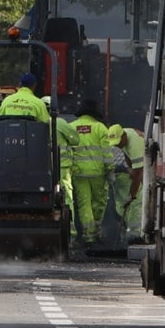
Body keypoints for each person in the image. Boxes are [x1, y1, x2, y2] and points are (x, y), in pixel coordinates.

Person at [70, 100, 114, 247]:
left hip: (79, 173)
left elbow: (67, 151)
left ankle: (88, 236)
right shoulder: (100, 128)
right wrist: (110, 170)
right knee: (99, 204)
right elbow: (107, 153)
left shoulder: (71, 127)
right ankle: (96, 234)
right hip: (98, 174)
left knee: (84, 204)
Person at [42, 96, 79, 228]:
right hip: (62, 167)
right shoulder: (60, 123)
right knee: (66, 198)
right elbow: (76, 140)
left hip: (42, 168)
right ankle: (70, 230)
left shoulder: (38, 123)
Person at [107, 123, 145, 244]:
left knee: (137, 200)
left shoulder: (135, 144)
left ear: (123, 136)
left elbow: (138, 174)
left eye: (119, 141)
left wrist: (132, 195)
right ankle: (127, 233)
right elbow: (126, 154)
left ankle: (134, 234)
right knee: (123, 204)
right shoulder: (124, 137)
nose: (118, 144)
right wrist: (129, 168)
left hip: (146, 169)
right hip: (136, 168)